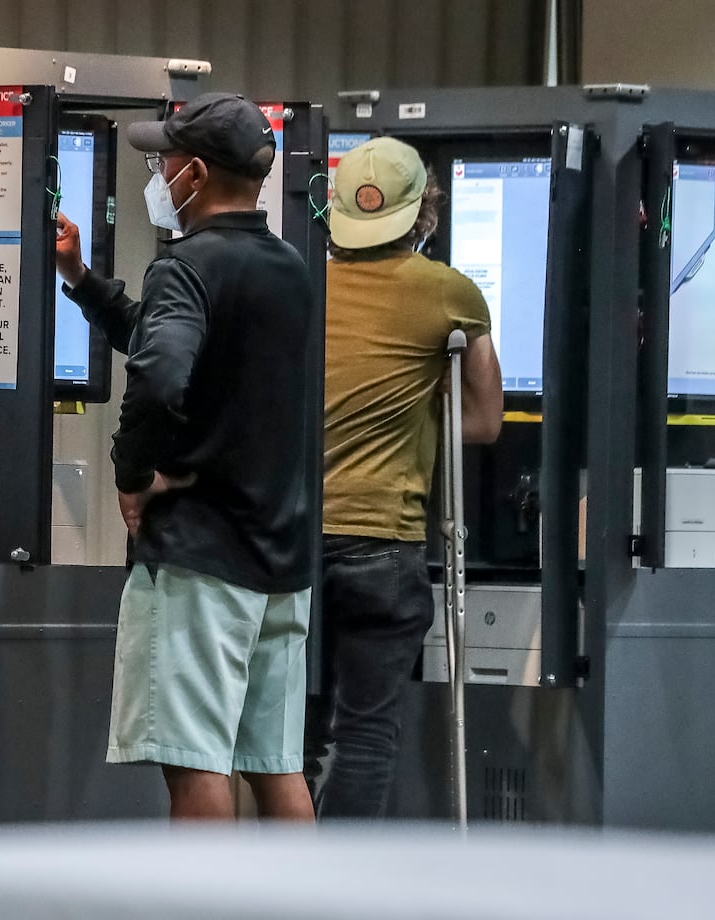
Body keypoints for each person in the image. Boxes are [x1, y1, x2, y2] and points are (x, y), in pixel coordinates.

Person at [54, 93, 315, 822]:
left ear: (193, 174)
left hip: (202, 557)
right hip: (279, 558)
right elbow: (168, 341)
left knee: (196, 764)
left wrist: (134, 475)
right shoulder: (287, 267)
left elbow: (160, 372)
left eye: (161, 160)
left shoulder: (186, 266)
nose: (157, 172)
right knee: (275, 766)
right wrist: (82, 281)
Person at [303, 137, 503, 819]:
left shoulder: (300, 279)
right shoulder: (448, 292)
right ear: (424, 213)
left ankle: (281, 886)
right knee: (362, 731)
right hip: (381, 545)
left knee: (290, 738)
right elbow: (480, 421)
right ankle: (345, 889)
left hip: (290, 542)